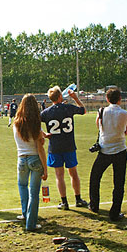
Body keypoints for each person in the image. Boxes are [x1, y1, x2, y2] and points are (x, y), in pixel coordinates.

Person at [40, 85, 90, 210]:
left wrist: (44, 134)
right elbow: (83, 110)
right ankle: (78, 199)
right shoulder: (68, 108)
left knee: (59, 175)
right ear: (60, 96)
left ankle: (64, 202)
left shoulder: (46, 113)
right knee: (73, 173)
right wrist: (76, 98)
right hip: (69, 145)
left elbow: (34, 123)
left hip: (55, 147)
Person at [88, 88, 127, 221]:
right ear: (120, 99)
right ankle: (115, 212)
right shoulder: (126, 114)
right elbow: (126, 132)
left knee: (95, 177)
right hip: (120, 150)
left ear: (107, 99)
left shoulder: (101, 111)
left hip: (105, 150)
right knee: (119, 183)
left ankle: (94, 205)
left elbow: (99, 127)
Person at [12, 94, 49, 231]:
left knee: (22, 186)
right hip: (35, 159)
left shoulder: (16, 122)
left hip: (21, 158)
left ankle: (24, 213)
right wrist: (45, 169)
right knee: (34, 193)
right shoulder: (36, 124)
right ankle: (31, 224)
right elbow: (40, 149)